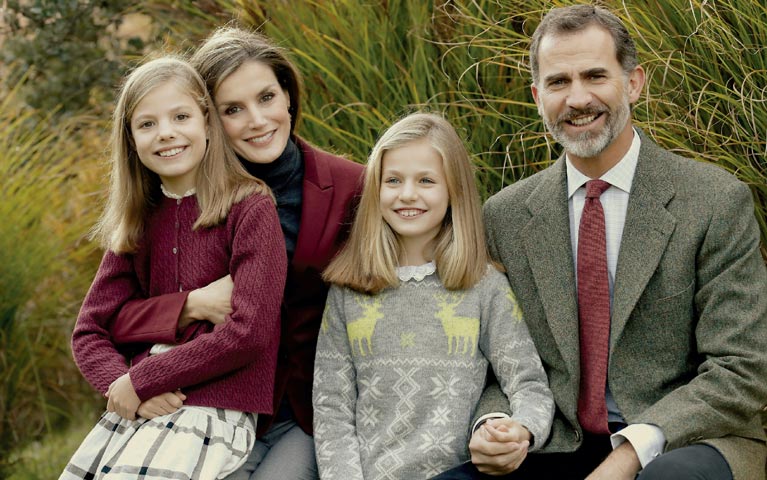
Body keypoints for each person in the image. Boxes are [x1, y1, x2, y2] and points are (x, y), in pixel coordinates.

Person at [433, 5, 767, 480]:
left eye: (595, 76)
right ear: (537, 95)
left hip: (686, 440)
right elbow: (498, 362)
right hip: (555, 440)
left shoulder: (714, 201)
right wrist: (497, 424)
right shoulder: (505, 215)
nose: (577, 99)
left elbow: (741, 368)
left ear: (634, 82)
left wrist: (629, 455)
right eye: (558, 82)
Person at [106, 27, 365, 479]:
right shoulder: (176, 199)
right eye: (233, 109)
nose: (257, 120)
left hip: (307, 411)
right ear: (207, 117)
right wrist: (187, 307)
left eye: (267, 97)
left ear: (288, 96)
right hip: (198, 402)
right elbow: (109, 318)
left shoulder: (353, 187)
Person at [61, 56, 286, 479]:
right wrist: (126, 386)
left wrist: (143, 378)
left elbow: (248, 332)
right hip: (143, 408)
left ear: (206, 121)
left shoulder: (249, 208)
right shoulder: (138, 220)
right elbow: (90, 330)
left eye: (180, 116)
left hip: (215, 409)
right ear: (130, 139)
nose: (166, 133)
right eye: (146, 124)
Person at [312, 112, 555, 479]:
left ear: (454, 191)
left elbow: (528, 383)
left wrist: (519, 430)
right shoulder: (349, 291)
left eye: (426, 180)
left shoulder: (483, 285)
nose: (407, 194)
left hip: (457, 473)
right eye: (393, 180)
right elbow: (332, 407)